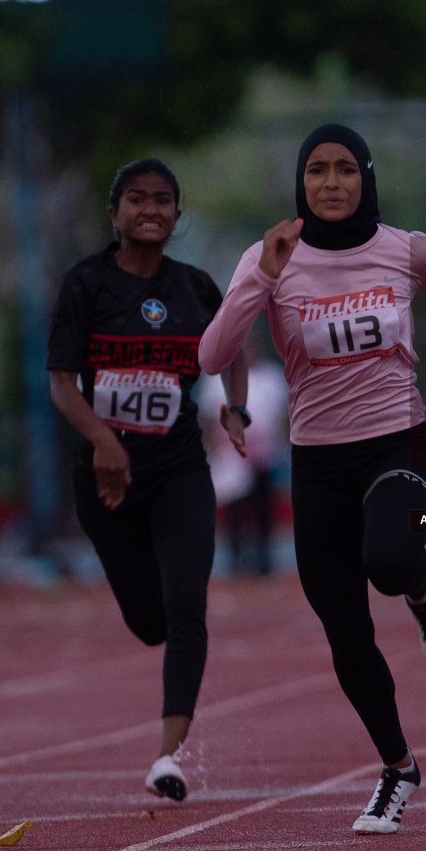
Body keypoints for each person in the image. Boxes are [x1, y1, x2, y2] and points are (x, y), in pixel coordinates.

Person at [199, 123, 426, 834]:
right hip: (318, 460)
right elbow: (212, 355)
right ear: (301, 182)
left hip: (398, 443)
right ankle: (397, 768)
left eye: (345, 170)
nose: (331, 184)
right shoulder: (271, 258)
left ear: (366, 176)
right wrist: (263, 275)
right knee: (346, 633)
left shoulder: (405, 248)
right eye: (317, 171)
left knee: (388, 561)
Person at [47, 158, 249, 802]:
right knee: (151, 622)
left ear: (178, 217)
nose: (151, 210)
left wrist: (235, 406)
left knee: (188, 603)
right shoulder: (85, 287)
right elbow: (60, 383)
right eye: (137, 200)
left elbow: (232, 349)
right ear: (115, 214)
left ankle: (170, 757)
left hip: (178, 468)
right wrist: (103, 439)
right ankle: (151, 618)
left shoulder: (195, 289)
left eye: (164, 202)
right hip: (106, 481)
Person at [198, 334, 288, 576]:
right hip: (231, 456)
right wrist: (210, 450)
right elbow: (208, 417)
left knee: (264, 508)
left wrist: (282, 447)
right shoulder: (217, 379)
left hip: (265, 455)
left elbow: (282, 416)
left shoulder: (272, 376)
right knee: (235, 510)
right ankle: (237, 559)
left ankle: (265, 560)